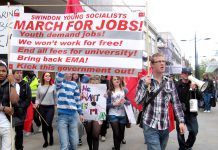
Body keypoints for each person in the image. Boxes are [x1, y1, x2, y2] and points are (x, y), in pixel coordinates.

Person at [135, 53, 185, 150]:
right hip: (150, 124)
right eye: (159, 61)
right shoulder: (144, 80)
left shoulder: (169, 82)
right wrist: (145, 86)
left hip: (164, 125)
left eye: (163, 61)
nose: (162, 64)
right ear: (152, 64)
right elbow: (137, 101)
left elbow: (176, 103)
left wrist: (181, 121)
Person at [175, 68, 203, 150]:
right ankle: (182, 148)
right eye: (185, 73)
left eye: (189, 73)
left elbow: (200, 97)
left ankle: (187, 145)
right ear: (181, 74)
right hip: (180, 112)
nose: (187, 75)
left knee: (194, 131)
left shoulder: (194, 84)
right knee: (180, 132)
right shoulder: (177, 85)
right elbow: (173, 99)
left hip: (191, 112)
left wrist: (195, 89)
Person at [55, 72, 84, 150]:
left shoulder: (74, 84)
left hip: (73, 115)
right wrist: (64, 67)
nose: (70, 74)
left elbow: (77, 100)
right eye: (68, 72)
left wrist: (80, 113)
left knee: (74, 144)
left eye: (71, 72)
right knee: (64, 145)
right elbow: (58, 78)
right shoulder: (60, 83)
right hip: (62, 116)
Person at [107, 76, 130, 150]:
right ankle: (117, 148)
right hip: (113, 114)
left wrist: (125, 101)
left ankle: (117, 145)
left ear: (120, 80)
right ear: (112, 81)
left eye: (118, 79)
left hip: (123, 115)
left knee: (120, 135)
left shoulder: (125, 90)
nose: (116, 80)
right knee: (116, 133)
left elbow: (129, 102)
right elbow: (105, 105)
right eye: (114, 79)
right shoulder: (109, 91)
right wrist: (113, 104)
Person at [0, 60, 19, 150]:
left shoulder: (13, 84)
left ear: (7, 72)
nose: (1, 73)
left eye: (4, 71)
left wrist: (12, 84)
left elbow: (14, 101)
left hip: (7, 125)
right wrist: (3, 108)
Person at [34, 72, 57, 148]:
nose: (48, 77)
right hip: (42, 108)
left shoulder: (53, 86)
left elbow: (55, 97)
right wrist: (36, 104)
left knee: (48, 123)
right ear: (43, 77)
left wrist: (56, 105)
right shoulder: (40, 86)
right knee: (44, 125)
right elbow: (37, 98)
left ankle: (51, 135)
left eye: (49, 76)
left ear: (50, 78)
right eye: (46, 76)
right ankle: (46, 141)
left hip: (50, 108)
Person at [82, 75, 103, 150]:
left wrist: (107, 97)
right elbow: (83, 105)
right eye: (92, 79)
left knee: (96, 135)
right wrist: (81, 98)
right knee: (89, 134)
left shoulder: (103, 90)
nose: (94, 81)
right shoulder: (85, 90)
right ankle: (90, 148)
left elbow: (105, 104)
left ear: (99, 81)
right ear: (89, 81)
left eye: (97, 79)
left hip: (99, 114)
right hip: (87, 114)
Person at [13, 70, 32, 150]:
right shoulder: (10, 84)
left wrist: (21, 106)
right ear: (13, 74)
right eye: (17, 73)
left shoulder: (25, 84)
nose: (19, 75)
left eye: (20, 73)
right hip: (10, 111)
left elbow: (28, 99)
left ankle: (19, 147)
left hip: (20, 112)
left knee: (19, 132)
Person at [23, 71, 40, 135]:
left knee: (35, 115)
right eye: (30, 71)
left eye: (32, 71)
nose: (31, 72)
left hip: (35, 99)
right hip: (27, 99)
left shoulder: (37, 79)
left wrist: (38, 100)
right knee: (28, 116)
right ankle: (30, 130)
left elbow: (40, 90)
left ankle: (39, 125)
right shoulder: (24, 79)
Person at [72, 73, 84, 146]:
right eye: (74, 74)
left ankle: (79, 137)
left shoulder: (80, 84)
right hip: (70, 105)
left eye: (77, 74)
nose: (76, 75)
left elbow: (84, 93)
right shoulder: (67, 83)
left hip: (78, 105)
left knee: (79, 123)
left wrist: (82, 95)